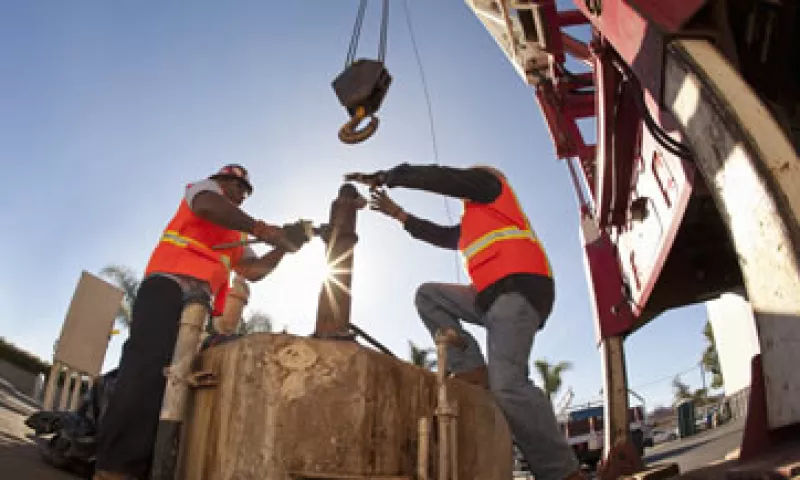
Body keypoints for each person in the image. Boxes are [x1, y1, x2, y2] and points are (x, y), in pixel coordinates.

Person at [345, 163, 583, 480]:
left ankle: (564, 474)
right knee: (428, 296)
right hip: (488, 297)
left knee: (509, 385)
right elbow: (441, 235)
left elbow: (445, 178)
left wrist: (392, 177)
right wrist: (399, 215)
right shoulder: (473, 221)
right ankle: (472, 367)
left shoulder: (491, 185)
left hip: (518, 291)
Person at [94, 164, 308, 480]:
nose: (240, 194)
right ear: (220, 181)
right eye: (236, 186)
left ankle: (143, 467)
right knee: (145, 368)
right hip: (168, 285)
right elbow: (208, 207)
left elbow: (253, 271)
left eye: (245, 191)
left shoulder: (237, 232)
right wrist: (266, 230)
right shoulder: (201, 192)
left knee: (176, 381)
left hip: (198, 306)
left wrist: (284, 247)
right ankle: (113, 469)